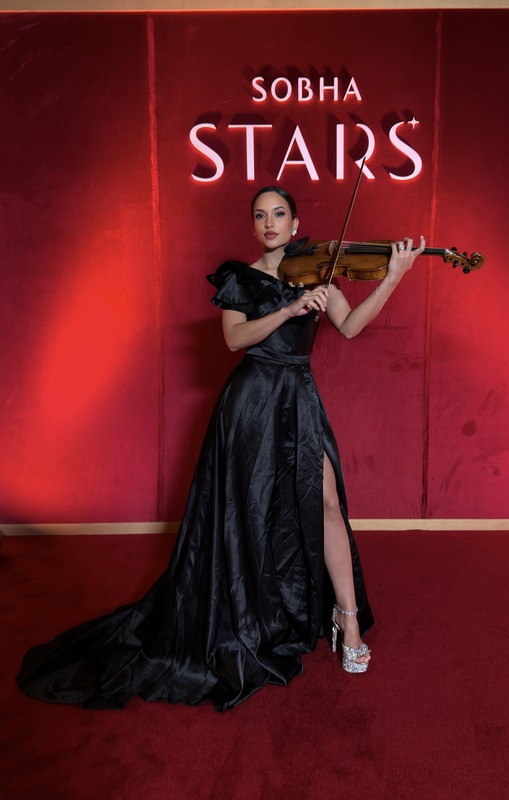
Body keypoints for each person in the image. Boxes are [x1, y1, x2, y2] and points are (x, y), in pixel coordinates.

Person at [16, 186, 425, 711]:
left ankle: (347, 622)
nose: (270, 222)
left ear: (295, 223)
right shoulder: (239, 277)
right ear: (253, 226)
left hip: (299, 397)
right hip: (251, 405)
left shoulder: (320, 270)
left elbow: (348, 326)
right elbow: (235, 339)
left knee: (325, 504)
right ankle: (252, 613)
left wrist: (393, 276)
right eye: (260, 215)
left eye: (279, 214)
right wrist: (290, 309)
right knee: (248, 511)